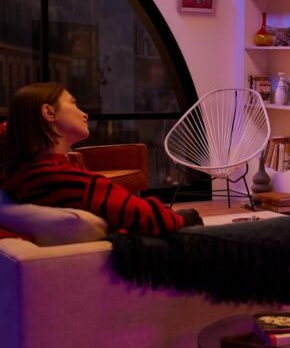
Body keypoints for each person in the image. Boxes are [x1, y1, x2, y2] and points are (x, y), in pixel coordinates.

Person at [1, 82, 200, 236]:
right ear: (49, 112)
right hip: (137, 255)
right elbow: (154, 219)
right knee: (190, 217)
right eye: (73, 103)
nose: (84, 114)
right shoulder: (69, 181)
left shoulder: (16, 173)